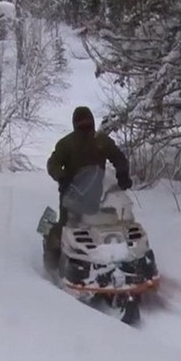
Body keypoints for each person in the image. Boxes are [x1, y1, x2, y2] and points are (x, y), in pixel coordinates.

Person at [44, 106, 132, 265]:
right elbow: (53, 163)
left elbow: (118, 157)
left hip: (97, 192)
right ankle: (52, 255)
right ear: (75, 125)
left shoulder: (102, 141)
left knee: (110, 222)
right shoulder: (66, 144)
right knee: (66, 225)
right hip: (71, 193)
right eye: (81, 125)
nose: (85, 127)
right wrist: (62, 177)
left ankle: (114, 254)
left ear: (92, 122)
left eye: (87, 124)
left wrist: (123, 173)